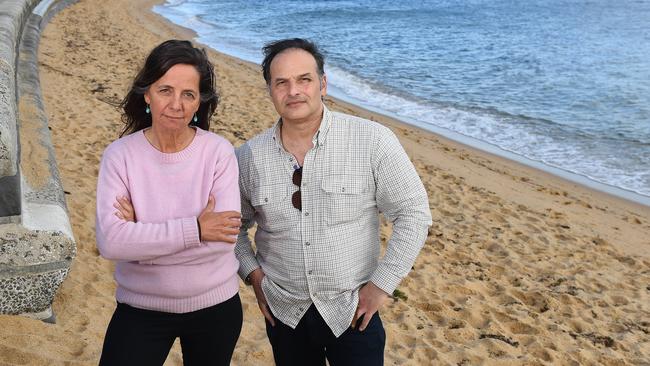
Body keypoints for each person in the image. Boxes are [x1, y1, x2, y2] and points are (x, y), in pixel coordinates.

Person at [235, 38, 432, 365]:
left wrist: (381, 286)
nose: (293, 90)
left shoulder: (371, 140)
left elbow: (413, 214)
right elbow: (234, 228)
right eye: (281, 83)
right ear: (269, 90)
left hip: (354, 311)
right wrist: (253, 275)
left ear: (323, 84)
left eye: (304, 79)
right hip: (284, 311)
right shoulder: (247, 157)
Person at [95, 40, 243, 366]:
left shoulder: (218, 152)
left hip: (215, 309)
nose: (176, 104)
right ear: (147, 94)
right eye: (165, 90)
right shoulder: (120, 156)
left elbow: (223, 241)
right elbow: (112, 243)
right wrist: (196, 228)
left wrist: (143, 238)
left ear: (198, 103)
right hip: (141, 309)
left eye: (188, 94)